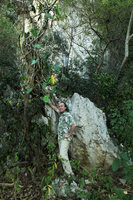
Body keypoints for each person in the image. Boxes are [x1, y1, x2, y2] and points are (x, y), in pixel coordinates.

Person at [47, 101, 76, 176]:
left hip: (65, 139)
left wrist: (69, 134)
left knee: (62, 155)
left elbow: (74, 125)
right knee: (63, 155)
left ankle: (70, 173)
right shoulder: (61, 114)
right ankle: (67, 172)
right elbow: (55, 108)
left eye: (62, 106)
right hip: (60, 138)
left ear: (65, 107)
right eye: (59, 106)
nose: (60, 107)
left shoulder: (68, 115)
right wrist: (48, 103)